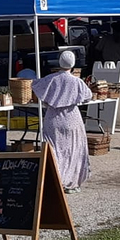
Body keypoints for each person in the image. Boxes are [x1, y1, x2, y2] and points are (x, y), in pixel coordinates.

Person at [30, 50, 94, 192]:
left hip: (53, 119)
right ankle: (71, 181)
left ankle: (56, 180)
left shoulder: (50, 79)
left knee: (54, 151)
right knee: (73, 150)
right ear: (72, 64)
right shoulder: (77, 81)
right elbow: (88, 96)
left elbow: (35, 86)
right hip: (72, 119)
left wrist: (50, 100)